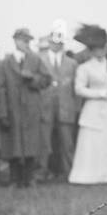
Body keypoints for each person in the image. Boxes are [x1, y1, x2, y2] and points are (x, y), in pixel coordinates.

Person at [0, 28, 52, 188]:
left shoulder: (35, 59)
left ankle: (29, 178)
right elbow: (0, 88)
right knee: (13, 144)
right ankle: (14, 179)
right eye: (21, 40)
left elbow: (47, 80)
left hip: (31, 109)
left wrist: (33, 78)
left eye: (27, 41)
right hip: (13, 109)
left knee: (31, 143)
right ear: (15, 41)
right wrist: (2, 112)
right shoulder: (6, 62)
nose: (24, 43)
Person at [69, 25, 107, 184]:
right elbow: (79, 89)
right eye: (96, 50)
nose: (100, 52)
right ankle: (90, 175)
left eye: (102, 49)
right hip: (93, 107)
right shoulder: (84, 68)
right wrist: (99, 94)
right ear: (91, 51)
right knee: (93, 141)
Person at [40, 31, 80, 181]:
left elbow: (76, 89)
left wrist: (76, 109)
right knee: (44, 143)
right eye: (53, 42)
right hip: (45, 108)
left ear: (63, 44)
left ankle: (69, 173)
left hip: (66, 109)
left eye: (59, 42)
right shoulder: (40, 60)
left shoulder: (72, 63)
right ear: (49, 42)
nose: (56, 45)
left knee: (67, 143)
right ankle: (42, 172)